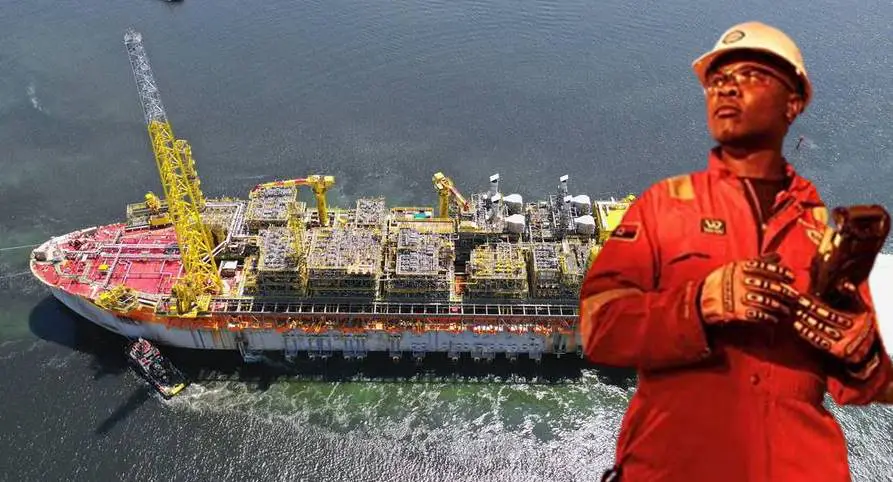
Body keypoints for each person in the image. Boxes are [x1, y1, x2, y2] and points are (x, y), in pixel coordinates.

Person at [579, 21, 893, 481]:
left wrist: (860, 354)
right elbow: (600, 328)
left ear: (793, 104)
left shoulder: (826, 240)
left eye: (752, 76)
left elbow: (872, 388)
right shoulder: (663, 207)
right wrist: (698, 306)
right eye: (719, 79)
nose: (727, 88)